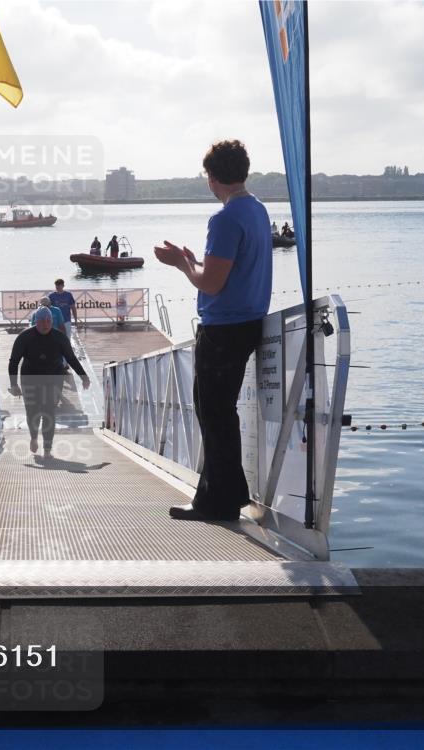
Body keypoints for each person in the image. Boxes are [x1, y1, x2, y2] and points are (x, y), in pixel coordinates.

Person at [153, 139, 272, 523]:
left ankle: (215, 502)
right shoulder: (258, 210)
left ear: (212, 177)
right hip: (249, 321)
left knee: (214, 414)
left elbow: (212, 284)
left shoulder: (225, 218)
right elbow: (227, 272)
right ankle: (230, 493)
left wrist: (181, 265)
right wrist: (193, 260)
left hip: (223, 329)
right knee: (222, 413)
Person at [9, 307, 91, 458]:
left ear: (52, 322)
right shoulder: (25, 337)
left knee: (49, 412)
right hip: (30, 378)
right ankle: (34, 437)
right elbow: (14, 361)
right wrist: (14, 384)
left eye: (48, 321)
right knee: (32, 411)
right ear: (35, 322)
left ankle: (47, 448)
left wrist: (83, 376)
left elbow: (71, 358)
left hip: (53, 378)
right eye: (42, 321)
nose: (45, 325)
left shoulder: (59, 337)